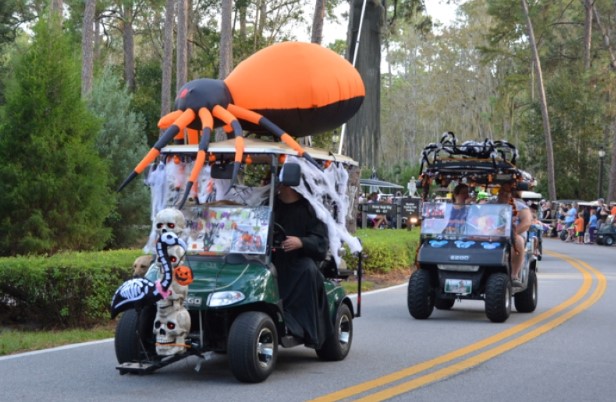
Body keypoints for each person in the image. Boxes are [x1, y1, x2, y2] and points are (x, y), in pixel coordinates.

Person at [272, 183, 333, 348]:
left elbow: (321, 242)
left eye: (283, 183)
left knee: (306, 270)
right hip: (272, 257)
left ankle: (302, 326)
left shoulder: (310, 209)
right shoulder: (270, 205)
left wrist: (301, 242)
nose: (279, 185)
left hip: (299, 258)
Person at [490, 181, 531, 286]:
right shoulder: (491, 203)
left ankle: (514, 274)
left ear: (511, 194)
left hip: (514, 232)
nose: (503, 193)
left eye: (506, 192)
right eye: (501, 191)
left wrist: (512, 232)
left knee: (518, 241)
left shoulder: (520, 206)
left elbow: (526, 223)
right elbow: (479, 215)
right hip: (491, 233)